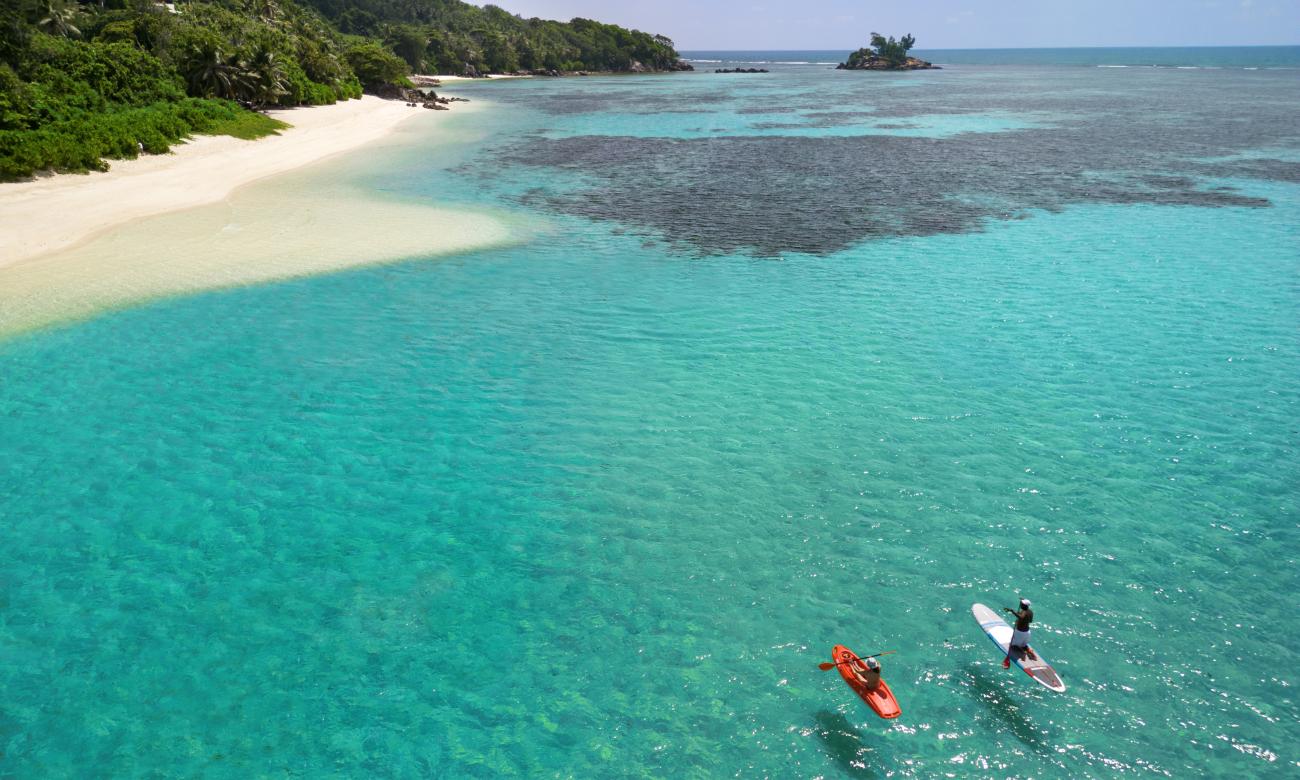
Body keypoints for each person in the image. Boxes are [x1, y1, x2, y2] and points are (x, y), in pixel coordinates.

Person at [1002, 598, 1036, 667]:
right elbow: (1030, 620)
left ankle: (1023, 654)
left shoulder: (1024, 612)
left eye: (1022, 604)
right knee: (1023, 645)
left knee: (1013, 646)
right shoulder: (1030, 612)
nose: (1020, 604)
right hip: (1027, 632)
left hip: (1020, 633)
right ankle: (1029, 650)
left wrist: (1012, 611)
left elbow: (1021, 617)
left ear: (1025, 606)